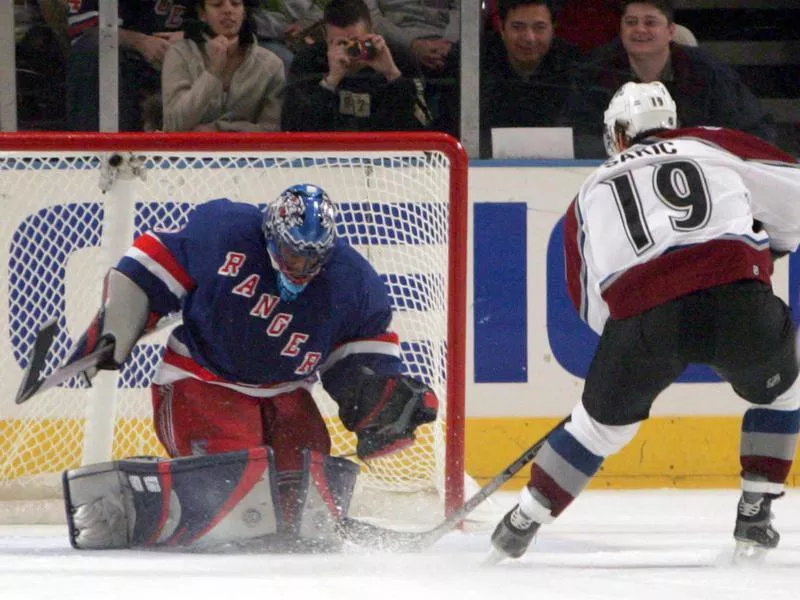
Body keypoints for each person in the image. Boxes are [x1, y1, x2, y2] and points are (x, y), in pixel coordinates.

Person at [489, 81, 800, 564]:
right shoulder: (709, 143)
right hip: (737, 301)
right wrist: (768, 248)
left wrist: (629, 351)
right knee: (785, 392)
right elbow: (794, 192)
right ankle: (756, 510)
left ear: (617, 132)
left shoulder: (589, 190)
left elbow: (591, 307)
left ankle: (520, 523)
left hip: (643, 320)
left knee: (594, 430)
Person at [61, 183, 439, 550]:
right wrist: (118, 324)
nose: (301, 266)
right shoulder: (226, 232)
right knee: (234, 495)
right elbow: (156, 261)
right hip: (202, 379)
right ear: (271, 235)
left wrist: (383, 405)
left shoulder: (353, 283)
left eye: (313, 257)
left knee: (308, 504)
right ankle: (141, 505)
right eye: (293, 254)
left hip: (286, 393)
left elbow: (360, 361)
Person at [565, 0, 775, 158]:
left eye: (650, 22)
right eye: (631, 22)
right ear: (621, 30)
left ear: (671, 31)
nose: (640, 29)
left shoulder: (706, 71)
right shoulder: (597, 72)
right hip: (617, 173)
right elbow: (577, 135)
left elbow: (754, 128)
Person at [281, 0, 431, 132]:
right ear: (325, 38)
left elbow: (423, 126)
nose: (348, 52)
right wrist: (330, 81)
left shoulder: (398, 59)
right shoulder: (310, 60)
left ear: (372, 33)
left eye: (355, 43)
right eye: (339, 44)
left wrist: (392, 75)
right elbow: (293, 129)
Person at [161, 0, 285, 132]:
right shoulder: (180, 54)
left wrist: (218, 129)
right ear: (202, 13)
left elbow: (271, 130)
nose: (228, 11)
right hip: (190, 150)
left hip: (246, 151)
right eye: (217, 4)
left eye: (236, 4)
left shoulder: (271, 65)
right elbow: (173, 126)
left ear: (244, 13)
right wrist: (212, 73)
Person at [65, 0, 189, 131]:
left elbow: (210, 24)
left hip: (185, 65)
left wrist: (191, 37)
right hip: (125, 66)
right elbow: (84, 29)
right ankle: (98, 146)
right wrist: (139, 41)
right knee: (91, 49)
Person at [480, 0, 583, 157]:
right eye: (518, 27)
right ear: (501, 28)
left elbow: (584, 133)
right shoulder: (475, 61)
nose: (529, 38)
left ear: (553, 28)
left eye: (539, 28)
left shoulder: (573, 64)